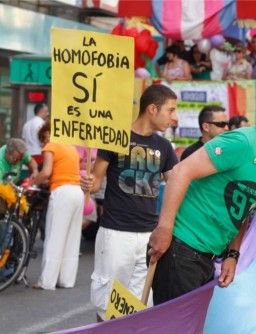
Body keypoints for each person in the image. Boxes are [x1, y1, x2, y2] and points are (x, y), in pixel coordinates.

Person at [147, 85, 256, 304]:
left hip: (206, 258)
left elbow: (243, 210)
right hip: (181, 250)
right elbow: (179, 172)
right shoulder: (241, 142)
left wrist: (233, 255)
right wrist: (164, 228)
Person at [80, 84, 178, 321]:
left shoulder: (164, 147)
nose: (174, 118)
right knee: (107, 302)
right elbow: (95, 183)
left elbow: (176, 184)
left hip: (149, 236)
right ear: (152, 109)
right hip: (116, 233)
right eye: (171, 110)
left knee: (139, 304)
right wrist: (87, 182)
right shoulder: (116, 137)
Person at [32, 121, 84, 290]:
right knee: (72, 238)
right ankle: (66, 280)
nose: (42, 143)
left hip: (62, 193)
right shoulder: (70, 147)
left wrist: (34, 181)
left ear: (48, 133)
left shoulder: (51, 146)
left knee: (55, 236)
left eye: (42, 138)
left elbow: (46, 172)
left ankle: (47, 281)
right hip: (77, 192)